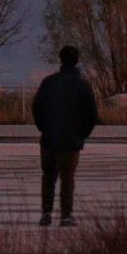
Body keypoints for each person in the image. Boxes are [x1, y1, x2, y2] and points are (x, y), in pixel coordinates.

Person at [32, 45, 99, 227]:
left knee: (48, 177)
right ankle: (66, 215)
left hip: (49, 138)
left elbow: (36, 107)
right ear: (77, 61)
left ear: (60, 60)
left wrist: (43, 128)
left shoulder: (49, 83)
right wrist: (82, 134)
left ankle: (46, 213)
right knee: (67, 178)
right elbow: (92, 114)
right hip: (71, 140)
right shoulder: (83, 86)